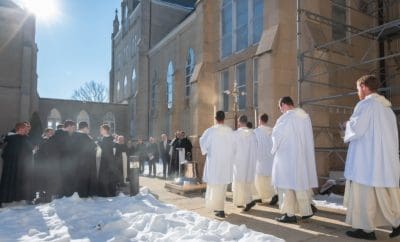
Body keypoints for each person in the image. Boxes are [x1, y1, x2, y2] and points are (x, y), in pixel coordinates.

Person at [343, 75, 400, 240]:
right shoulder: (386, 108)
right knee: (383, 194)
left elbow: (357, 129)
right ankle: (396, 221)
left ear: (363, 86)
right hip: (383, 160)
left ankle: (366, 230)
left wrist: (348, 125)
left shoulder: (365, 104)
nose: (357, 92)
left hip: (366, 161)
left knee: (364, 195)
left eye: (358, 89)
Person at [271, 96, 318, 223]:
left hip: (287, 158)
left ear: (284, 104)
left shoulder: (286, 118)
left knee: (286, 187)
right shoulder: (305, 117)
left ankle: (289, 214)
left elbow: (277, 136)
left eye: (280, 107)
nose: (280, 110)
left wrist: (273, 143)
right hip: (301, 157)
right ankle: (306, 209)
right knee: (299, 184)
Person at [200, 111, 234, 218]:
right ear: (224, 119)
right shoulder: (230, 131)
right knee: (222, 187)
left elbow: (203, 143)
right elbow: (234, 147)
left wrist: (206, 150)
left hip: (214, 164)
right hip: (225, 163)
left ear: (216, 118)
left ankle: (219, 208)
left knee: (214, 187)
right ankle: (220, 208)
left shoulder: (210, 131)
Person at [0, 123, 34, 206]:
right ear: (19, 129)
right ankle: (7, 199)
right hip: (11, 165)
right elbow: (3, 148)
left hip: (22, 165)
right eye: (24, 129)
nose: (26, 130)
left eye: (27, 129)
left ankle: (20, 198)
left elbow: (29, 150)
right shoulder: (10, 137)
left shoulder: (26, 138)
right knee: (9, 181)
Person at [232, 115, 258, 212]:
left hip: (239, 162)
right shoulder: (252, 134)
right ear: (246, 122)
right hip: (249, 162)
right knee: (246, 182)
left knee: (239, 182)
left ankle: (245, 201)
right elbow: (256, 149)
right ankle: (243, 201)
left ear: (239, 122)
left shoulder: (235, 134)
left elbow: (232, 149)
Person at [47, 120, 77, 197]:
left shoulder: (70, 134)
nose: (74, 129)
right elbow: (50, 144)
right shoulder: (57, 133)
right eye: (73, 127)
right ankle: (59, 192)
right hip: (58, 159)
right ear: (69, 126)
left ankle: (67, 192)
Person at [254, 113, 278, 205]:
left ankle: (259, 197)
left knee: (259, 180)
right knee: (270, 179)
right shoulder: (272, 131)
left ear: (259, 120)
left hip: (260, 159)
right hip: (271, 159)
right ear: (267, 120)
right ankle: (274, 195)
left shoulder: (256, 132)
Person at [73, 122, 97, 198]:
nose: (88, 129)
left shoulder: (74, 135)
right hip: (85, 162)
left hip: (78, 162)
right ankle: (84, 193)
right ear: (84, 128)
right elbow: (92, 148)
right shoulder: (85, 137)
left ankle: (80, 192)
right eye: (87, 128)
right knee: (84, 178)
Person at [33, 128, 55, 202]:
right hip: (43, 163)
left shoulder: (51, 141)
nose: (52, 134)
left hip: (48, 164)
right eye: (50, 132)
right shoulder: (42, 140)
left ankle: (48, 196)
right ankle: (42, 196)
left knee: (47, 180)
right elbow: (38, 151)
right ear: (46, 133)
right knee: (42, 180)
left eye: (52, 132)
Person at [97, 124, 119, 197]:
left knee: (110, 176)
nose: (100, 131)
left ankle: (111, 192)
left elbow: (114, 149)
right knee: (103, 176)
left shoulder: (112, 138)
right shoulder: (101, 138)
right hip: (103, 160)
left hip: (110, 160)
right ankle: (103, 192)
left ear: (105, 130)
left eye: (101, 129)